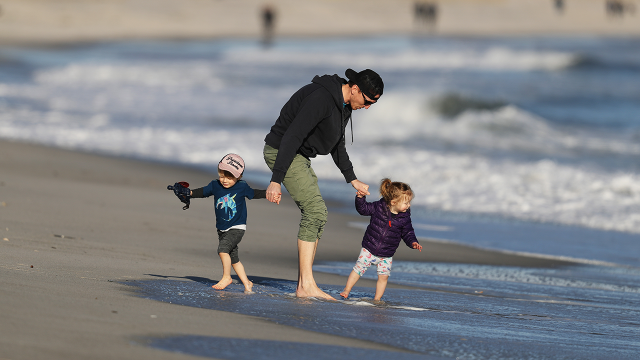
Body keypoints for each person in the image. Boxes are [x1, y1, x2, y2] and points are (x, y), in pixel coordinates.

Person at [263, 68, 384, 299]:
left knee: (320, 214)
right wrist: (275, 181)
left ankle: (304, 284)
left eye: (372, 104)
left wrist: (352, 179)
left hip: (298, 156)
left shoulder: (344, 105)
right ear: (355, 89)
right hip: (282, 152)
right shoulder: (321, 99)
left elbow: (338, 144)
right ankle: (306, 285)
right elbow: (292, 136)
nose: (367, 107)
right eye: (367, 101)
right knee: (314, 211)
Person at [175, 153, 267, 293]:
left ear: (239, 177)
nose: (225, 180)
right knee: (233, 257)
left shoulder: (242, 187)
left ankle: (226, 277)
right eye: (222, 176)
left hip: (237, 226)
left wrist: (269, 193)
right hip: (222, 228)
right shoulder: (215, 185)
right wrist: (188, 193)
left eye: (230, 178)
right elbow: (203, 192)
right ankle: (247, 283)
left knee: (222, 250)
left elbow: (254, 193)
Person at [340, 178, 422, 301]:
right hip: (369, 247)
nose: (408, 205)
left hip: (387, 254)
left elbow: (408, 232)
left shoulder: (405, 217)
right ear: (393, 202)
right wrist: (360, 199)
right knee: (358, 269)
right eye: (406, 203)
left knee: (383, 277)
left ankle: (377, 299)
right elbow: (363, 210)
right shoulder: (379, 207)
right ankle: (346, 290)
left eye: (409, 202)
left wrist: (413, 242)